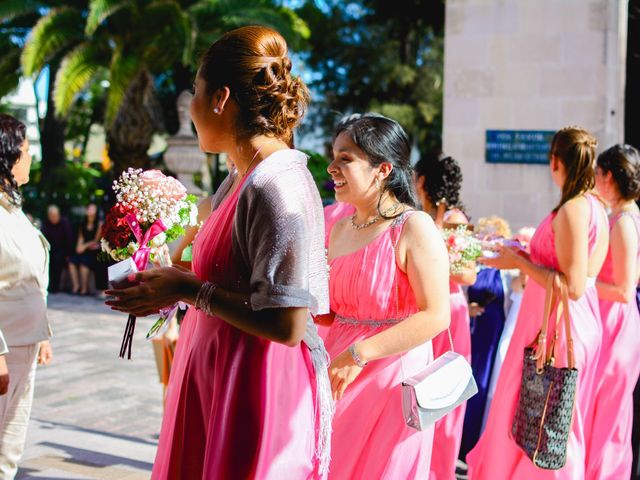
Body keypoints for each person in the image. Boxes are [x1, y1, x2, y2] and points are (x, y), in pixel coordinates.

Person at [106, 26, 332, 479]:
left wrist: (190, 289)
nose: (189, 105)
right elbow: (228, 269)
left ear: (220, 99)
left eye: (195, 90)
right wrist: (161, 280)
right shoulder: (241, 175)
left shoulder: (276, 186)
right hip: (215, 370)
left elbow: (287, 322)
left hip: (251, 387)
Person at [466, 126, 609, 479]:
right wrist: (515, 253)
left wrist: (521, 263)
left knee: (549, 423)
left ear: (555, 161)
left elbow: (572, 286)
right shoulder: (590, 205)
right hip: (555, 323)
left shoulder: (576, 209)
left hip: (559, 327)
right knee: (536, 418)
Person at [318, 113, 450, 479]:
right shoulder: (340, 227)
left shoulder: (414, 227)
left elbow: (437, 314)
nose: (332, 167)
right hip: (336, 369)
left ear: (382, 169)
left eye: (345, 158)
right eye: (333, 156)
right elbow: (335, 310)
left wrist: (360, 354)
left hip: (391, 378)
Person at [414, 153, 475, 480]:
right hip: (423, 309)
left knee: (444, 391)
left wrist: (429, 265)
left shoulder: (455, 218)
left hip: (449, 310)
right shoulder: (419, 217)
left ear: (423, 180)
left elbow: (468, 274)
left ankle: (440, 470)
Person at [0, 113, 53, 478]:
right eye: (27, 148)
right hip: (7, 345)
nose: (31, 155)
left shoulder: (13, 208)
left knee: (10, 442)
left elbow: (30, 272)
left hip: (25, 340)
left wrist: (43, 332)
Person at [587, 144, 640, 479]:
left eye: (596, 173)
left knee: (606, 416)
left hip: (615, 326)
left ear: (608, 176)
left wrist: (584, 282)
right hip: (612, 322)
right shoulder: (625, 217)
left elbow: (623, 289)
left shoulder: (623, 222)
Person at [459, 215, 513, 459]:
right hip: (471, 330)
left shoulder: (507, 272)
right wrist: (466, 308)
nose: (490, 240)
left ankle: (476, 443)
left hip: (493, 334)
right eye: (486, 235)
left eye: (496, 236)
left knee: (484, 384)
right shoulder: (473, 264)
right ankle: (460, 440)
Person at [68, 203, 102, 295]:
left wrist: (85, 246)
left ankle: (84, 289)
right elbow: (81, 238)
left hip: (93, 250)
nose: (89, 210)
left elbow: (95, 240)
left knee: (84, 264)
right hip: (84, 249)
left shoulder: (99, 224)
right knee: (71, 261)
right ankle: (76, 286)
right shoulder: (82, 224)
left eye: (92, 209)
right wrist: (79, 247)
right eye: (88, 208)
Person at [41, 204, 73, 293]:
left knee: (57, 260)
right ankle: (47, 285)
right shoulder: (46, 224)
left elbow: (69, 240)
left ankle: (55, 287)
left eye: (55, 216)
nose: (54, 218)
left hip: (63, 250)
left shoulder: (65, 223)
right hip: (50, 249)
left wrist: (68, 254)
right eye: (52, 216)